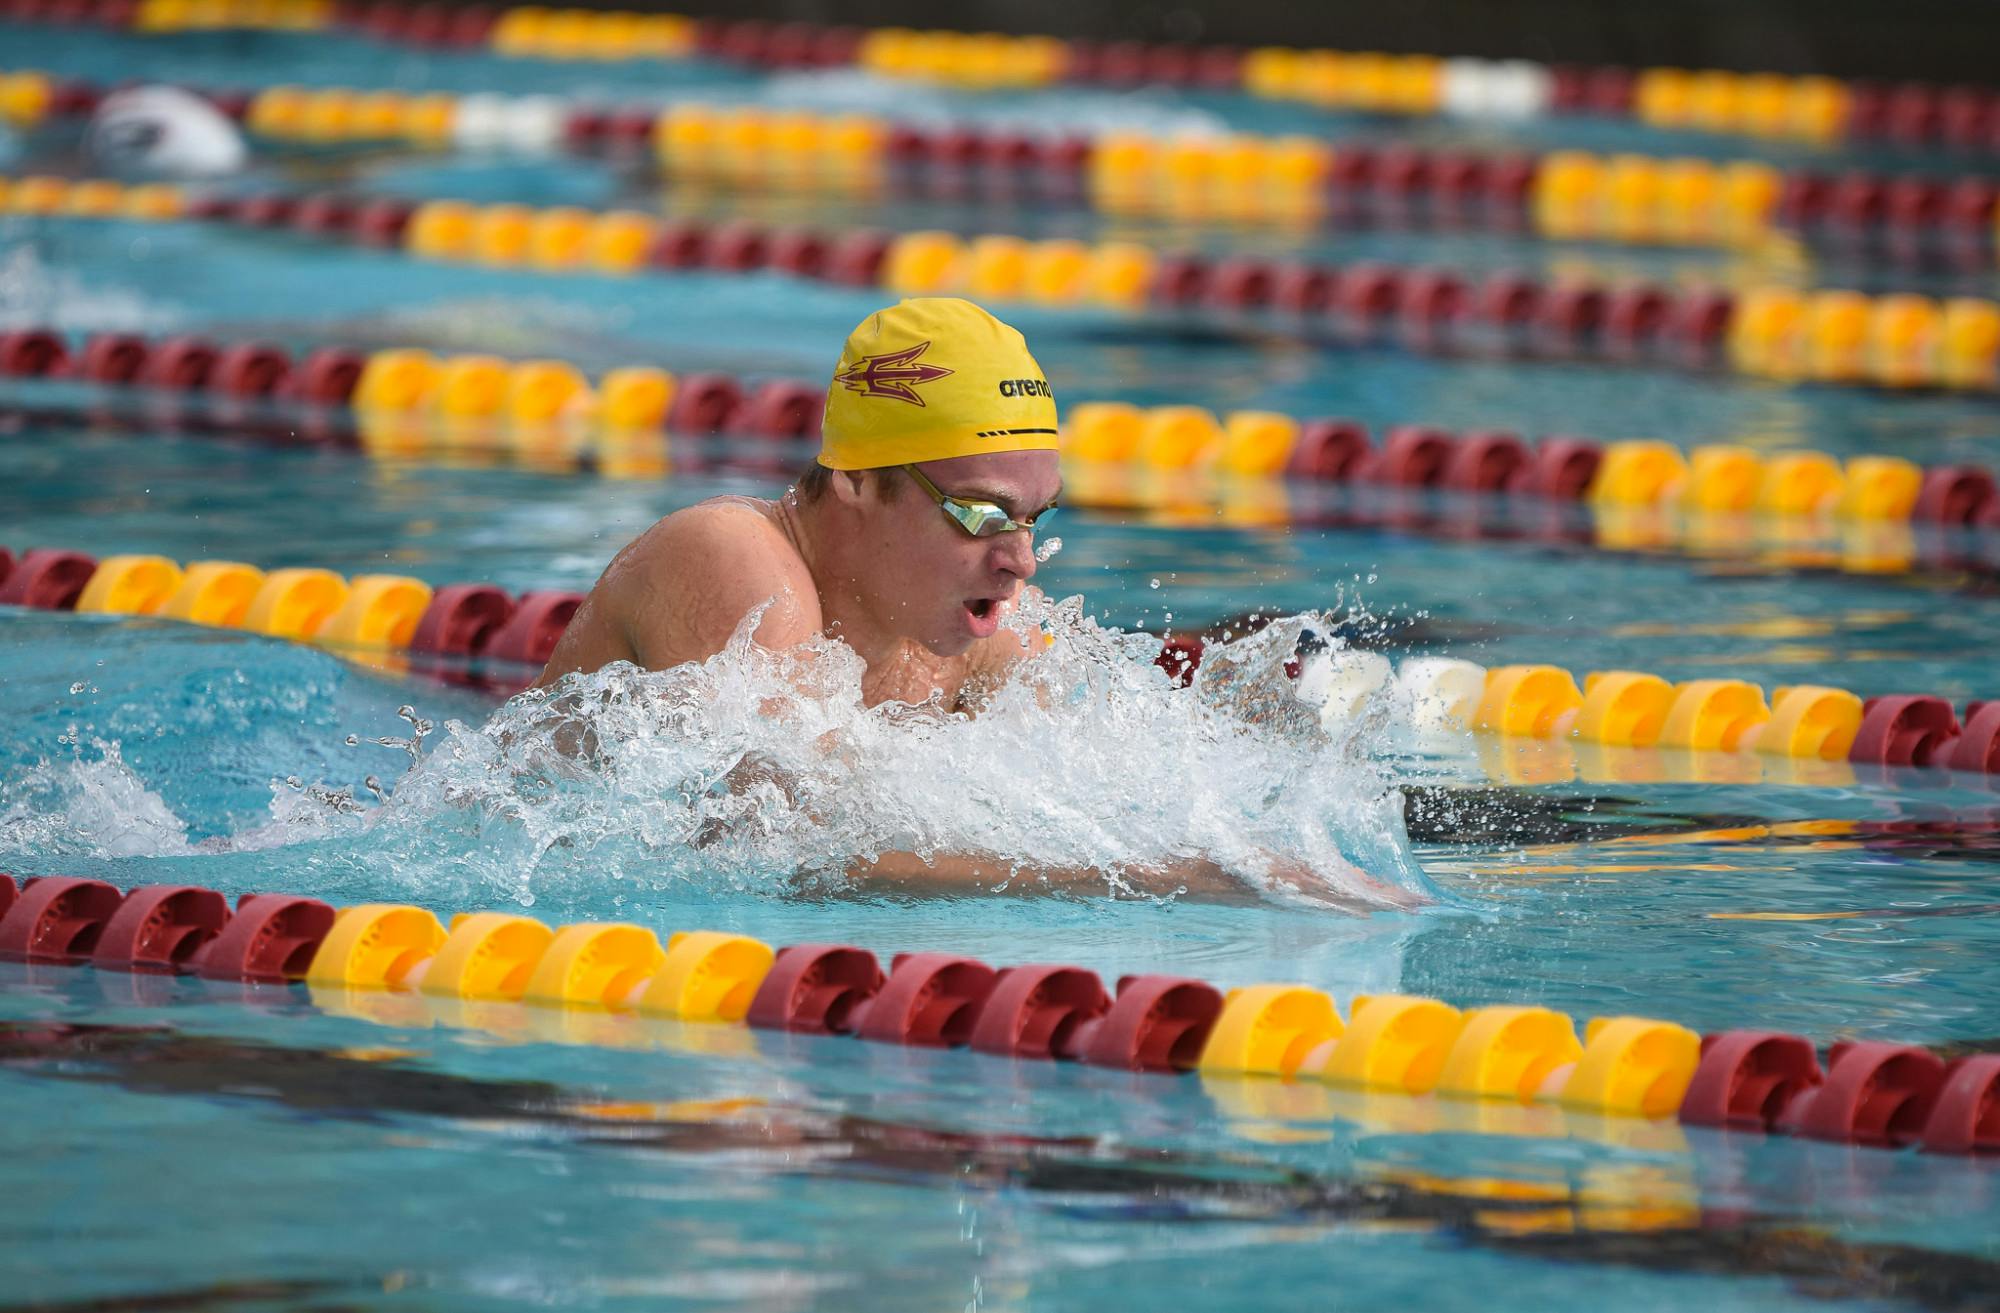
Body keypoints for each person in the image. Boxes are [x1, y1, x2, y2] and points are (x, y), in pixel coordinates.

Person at [535, 297, 1060, 713]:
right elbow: (808, 845)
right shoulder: (727, 556)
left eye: (1033, 518)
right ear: (859, 479)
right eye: (980, 512)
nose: (1022, 561)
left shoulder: (979, 634)